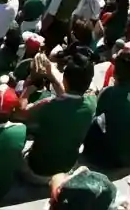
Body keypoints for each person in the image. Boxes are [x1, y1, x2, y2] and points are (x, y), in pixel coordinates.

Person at [19, 52, 97, 182]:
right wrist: (53, 78)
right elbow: (69, 97)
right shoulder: (92, 102)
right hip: (67, 167)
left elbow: (20, 114)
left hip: (38, 171)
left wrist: (27, 91)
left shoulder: (48, 105)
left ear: (65, 79)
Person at [85, 50, 130, 169]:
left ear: (116, 74)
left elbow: (96, 114)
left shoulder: (109, 93)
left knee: (93, 124)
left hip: (116, 158)